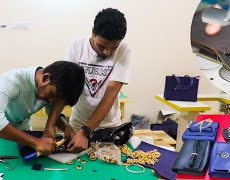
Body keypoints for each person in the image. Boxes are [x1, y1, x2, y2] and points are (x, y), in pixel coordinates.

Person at [65, 8, 132, 153]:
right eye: (102, 46)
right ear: (93, 32)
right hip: (78, 124)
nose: (107, 52)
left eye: (113, 47)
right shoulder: (76, 47)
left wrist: (86, 131)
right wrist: (68, 128)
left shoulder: (125, 51)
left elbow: (111, 94)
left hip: (110, 127)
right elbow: (65, 88)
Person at [0, 61, 85, 155]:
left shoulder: (48, 88)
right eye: (52, 95)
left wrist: (66, 127)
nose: (52, 102)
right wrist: (35, 142)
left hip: (20, 136)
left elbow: (53, 113)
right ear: (46, 78)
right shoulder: (11, 82)